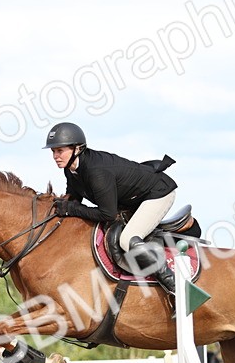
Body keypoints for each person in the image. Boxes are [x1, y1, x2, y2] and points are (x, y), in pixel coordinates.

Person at [43, 122, 178, 300]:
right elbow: (73, 199)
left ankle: (175, 286)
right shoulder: (71, 169)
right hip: (131, 198)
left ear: (77, 149)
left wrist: (71, 208)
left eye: (59, 151)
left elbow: (107, 214)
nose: (55, 156)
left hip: (157, 193)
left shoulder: (96, 172)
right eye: (53, 151)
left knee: (127, 239)